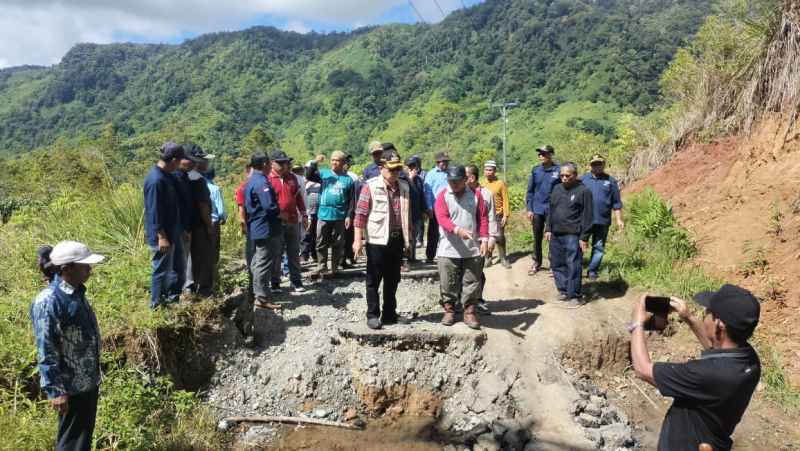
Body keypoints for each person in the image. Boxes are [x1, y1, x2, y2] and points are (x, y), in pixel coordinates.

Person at [630, 285, 761, 451]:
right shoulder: (750, 360)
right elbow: (716, 347)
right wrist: (688, 317)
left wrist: (637, 323)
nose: (705, 317)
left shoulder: (705, 374)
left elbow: (642, 369)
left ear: (719, 325)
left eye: (707, 313)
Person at [30, 241, 105, 451]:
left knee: (81, 440)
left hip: (87, 381)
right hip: (69, 386)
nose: (89, 269)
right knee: (72, 443)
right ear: (66, 269)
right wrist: (56, 391)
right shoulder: (49, 301)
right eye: (84, 265)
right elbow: (47, 349)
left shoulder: (75, 292)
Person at [353, 149, 414, 329]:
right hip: (377, 241)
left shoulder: (404, 187)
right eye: (391, 169)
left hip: (396, 240)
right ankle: (372, 315)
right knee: (374, 279)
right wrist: (357, 240)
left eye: (397, 169)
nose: (395, 172)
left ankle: (389, 314)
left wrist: (409, 239)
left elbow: (408, 216)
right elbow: (360, 215)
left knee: (393, 278)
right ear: (381, 168)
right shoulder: (370, 186)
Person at [435, 164, 489, 330]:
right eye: (451, 181)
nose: (454, 184)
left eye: (457, 181)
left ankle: (469, 312)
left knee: (471, 281)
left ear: (466, 179)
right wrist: (457, 230)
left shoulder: (475, 195)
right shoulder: (443, 196)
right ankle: (449, 310)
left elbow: (483, 218)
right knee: (447, 281)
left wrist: (485, 239)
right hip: (448, 247)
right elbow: (442, 219)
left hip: (471, 248)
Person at [546, 162, 593, 309]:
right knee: (558, 264)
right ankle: (564, 291)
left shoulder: (583, 192)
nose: (564, 178)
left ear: (575, 175)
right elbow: (551, 210)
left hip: (573, 235)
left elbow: (587, 216)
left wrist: (584, 237)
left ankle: (576, 296)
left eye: (567, 175)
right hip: (556, 234)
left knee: (573, 265)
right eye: (562, 175)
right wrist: (548, 228)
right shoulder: (556, 188)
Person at [143, 142, 185, 308]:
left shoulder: (167, 175)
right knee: (162, 272)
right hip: (163, 236)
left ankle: (172, 300)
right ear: (174, 159)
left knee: (179, 268)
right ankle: (157, 306)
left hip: (173, 234)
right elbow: (154, 212)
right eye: (180, 160)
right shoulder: (155, 180)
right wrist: (161, 237)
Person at [244, 152, 287, 309]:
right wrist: (281, 213)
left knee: (257, 262)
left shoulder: (251, 180)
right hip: (266, 228)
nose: (271, 165)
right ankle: (261, 298)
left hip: (257, 227)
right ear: (263, 164)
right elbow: (269, 206)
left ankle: (256, 294)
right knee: (263, 262)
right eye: (270, 163)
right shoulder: (262, 182)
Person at [305, 151, 357, 274]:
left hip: (339, 215)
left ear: (343, 163)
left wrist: (349, 216)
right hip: (323, 213)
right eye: (332, 160)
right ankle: (322, 265)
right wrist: (314, 162)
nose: (334, 162)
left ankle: (335, 266)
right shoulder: (324, 174)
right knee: (321, 240)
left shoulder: (348, 180)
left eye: (337, 160)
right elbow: (309, 175)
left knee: (338, 242)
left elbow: (351, 200)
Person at [267, 150, 309, 293]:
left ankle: (296, 279)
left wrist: (304, 215)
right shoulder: (267, 179)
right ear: (272, 163)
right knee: (276, 252)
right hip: (276, 222)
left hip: (293, 220)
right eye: (281, 163)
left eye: (286, 162)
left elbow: (298, 198)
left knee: (294, 250)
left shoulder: (292, 178)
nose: (285, 165)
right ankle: (275, 281)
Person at [579, 154, 624, 282]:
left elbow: (616, 202)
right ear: (590, 166)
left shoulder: (610, 181)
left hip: (602, 220)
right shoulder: (583, 180)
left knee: (598, 246)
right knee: (580, 245)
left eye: (599, 163)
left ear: (604, 164)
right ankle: (576, 268)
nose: (597, 166)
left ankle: (592, 271)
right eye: (594, 164)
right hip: (584, 221)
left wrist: (619, 219)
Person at [183, 143, 216, 296]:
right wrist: (210, 227)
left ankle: (188, 288)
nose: (206, 163)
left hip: (188, 224)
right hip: (200, 225)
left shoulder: (186, 176)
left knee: (189, 256)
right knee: (203, 256)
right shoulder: (198, 179)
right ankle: (204, 288)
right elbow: (203, 205)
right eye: (205, 161)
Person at [465, 164, 497, 315]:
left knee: (478, 271)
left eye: (464, 176)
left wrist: (491, 239)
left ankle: (477, 300)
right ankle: (463, 301)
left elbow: (491, 218)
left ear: (471, 178)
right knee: (461, 271)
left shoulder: (486, 194)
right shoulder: (460, 192)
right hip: (464, 239)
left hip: (480, 240)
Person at [526, 145, 561, 276]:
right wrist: (529, 209)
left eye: (544, 154)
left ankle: (553, 264)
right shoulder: (536, 171)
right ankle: (536, 262)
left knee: (553, 237)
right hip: (537, 209)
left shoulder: (558, 171)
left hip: (553, 210)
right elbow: (530, 191)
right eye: (540, 154)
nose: (541, 156)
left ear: (551, 155)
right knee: (537, 237)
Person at [480, 160, 511, 269]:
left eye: (490, 170)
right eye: (486, 170)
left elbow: (505, 199)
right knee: (486, 236)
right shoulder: (482, 184)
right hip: (486, 214)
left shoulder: (500, 183)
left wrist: (506, 215)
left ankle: (503, 258)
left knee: (500, 236)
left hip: (498, 214)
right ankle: (488, 258)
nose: (488, 172)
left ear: (495, 171)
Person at [423, 151, 452, 264]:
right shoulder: (431, 174)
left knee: (449, 232)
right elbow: (428, 192)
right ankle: (430, 256)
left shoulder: (451, 173)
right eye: (443, 161)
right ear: (437, 162)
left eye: (447, 161)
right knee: (433, 233)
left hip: (450, 208)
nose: (445, 163)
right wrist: (429, 208)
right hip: (436, 209)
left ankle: (447, 255)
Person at [403, 155, 427, 265]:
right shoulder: (402, 179)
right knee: (405, 237)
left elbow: (422, 195)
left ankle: (412, 257)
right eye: (410, 166)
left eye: (415, 166)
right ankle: (403, 258)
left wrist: (424, 210)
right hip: (405, 213)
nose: (413, 168)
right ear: (405, 167)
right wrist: (410, 178)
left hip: (416, 213)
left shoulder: (419, 180)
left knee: (415, 234)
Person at [235, 163, 255, 297]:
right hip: (251, 226)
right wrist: (244, 226)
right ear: (247, 174)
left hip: (263, 227)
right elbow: (241, 209)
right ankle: (252, 288)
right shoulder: (242, 188)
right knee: (252, 255)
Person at [205, 165, 228, 266]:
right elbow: (221, 210)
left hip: (201, 222)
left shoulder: (197, 186)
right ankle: (213, 272)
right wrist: (223, 218)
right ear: (213, 176)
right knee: (214, 248)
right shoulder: (215, 189)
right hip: (214, 222)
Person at [341, 155, 361, 268]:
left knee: (350, 235)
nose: (347, 163)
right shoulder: (334, 176)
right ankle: (339, 260)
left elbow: (357, 194)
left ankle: (350, 257)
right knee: (340, 237)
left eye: (348, 161)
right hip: (339, 211)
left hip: (351, 210)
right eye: (344, 160)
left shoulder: (353, 177)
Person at [301, 160, 320, 264]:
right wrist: (307, 180)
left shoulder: (320, 179)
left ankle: (314, 253)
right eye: (307, 169)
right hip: (308, 212)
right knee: (307, 234)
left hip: (319, 211)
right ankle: (304, 254)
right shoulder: (304, 180)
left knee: (317, 234)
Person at [411, 154, 427, 248]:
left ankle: (420, 239)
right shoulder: (406, 176)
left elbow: (423, 189)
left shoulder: (423, 174)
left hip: (420, 201)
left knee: (420, 223)